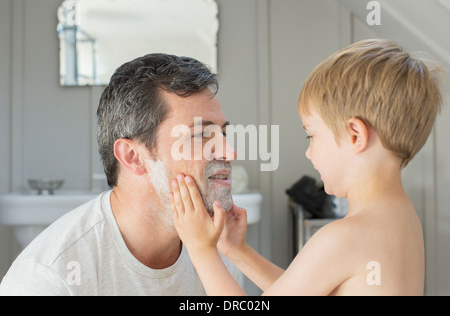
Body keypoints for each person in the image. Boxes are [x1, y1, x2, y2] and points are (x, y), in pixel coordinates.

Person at [170, 39, 445, 295]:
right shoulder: (403, 222)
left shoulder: (344, 238)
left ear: (355, 136)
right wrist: (237, 251)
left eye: (311, 135)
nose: (309, 153)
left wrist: (201, 249)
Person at [0, 53, 241, 295]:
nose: (230, 152)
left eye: (222, 134)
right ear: (132, 156)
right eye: (200, 135)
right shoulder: (50, 279)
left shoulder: (220, 248)